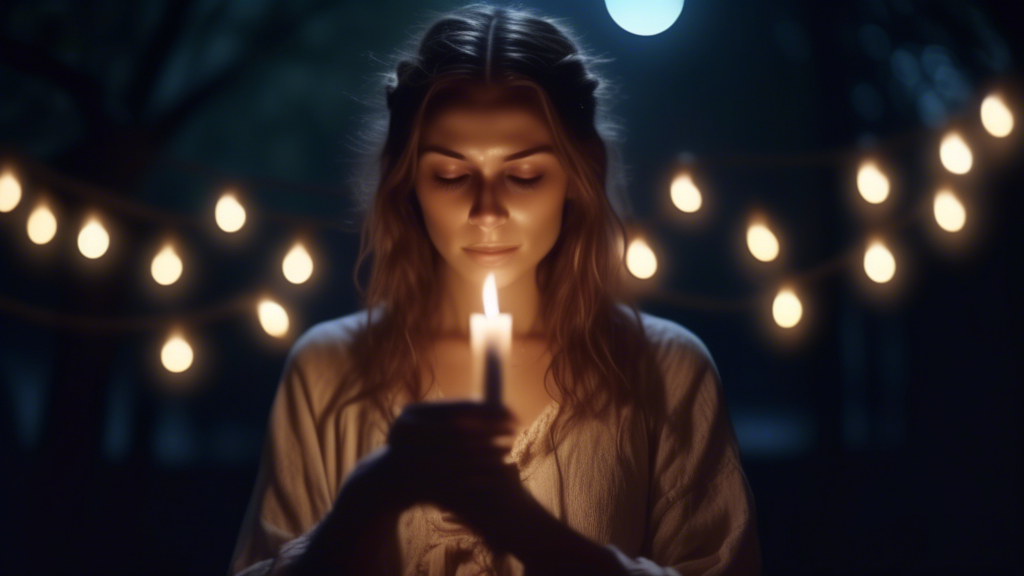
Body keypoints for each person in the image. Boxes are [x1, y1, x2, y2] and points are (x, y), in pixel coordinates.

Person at [228, 3, 761, 575]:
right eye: (451, 175)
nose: (487, 212)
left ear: (578, 175)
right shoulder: (329, 371)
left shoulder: (665, 372)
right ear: (408, 183)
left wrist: (527, 529)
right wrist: (368, 501)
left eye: (524, 175)